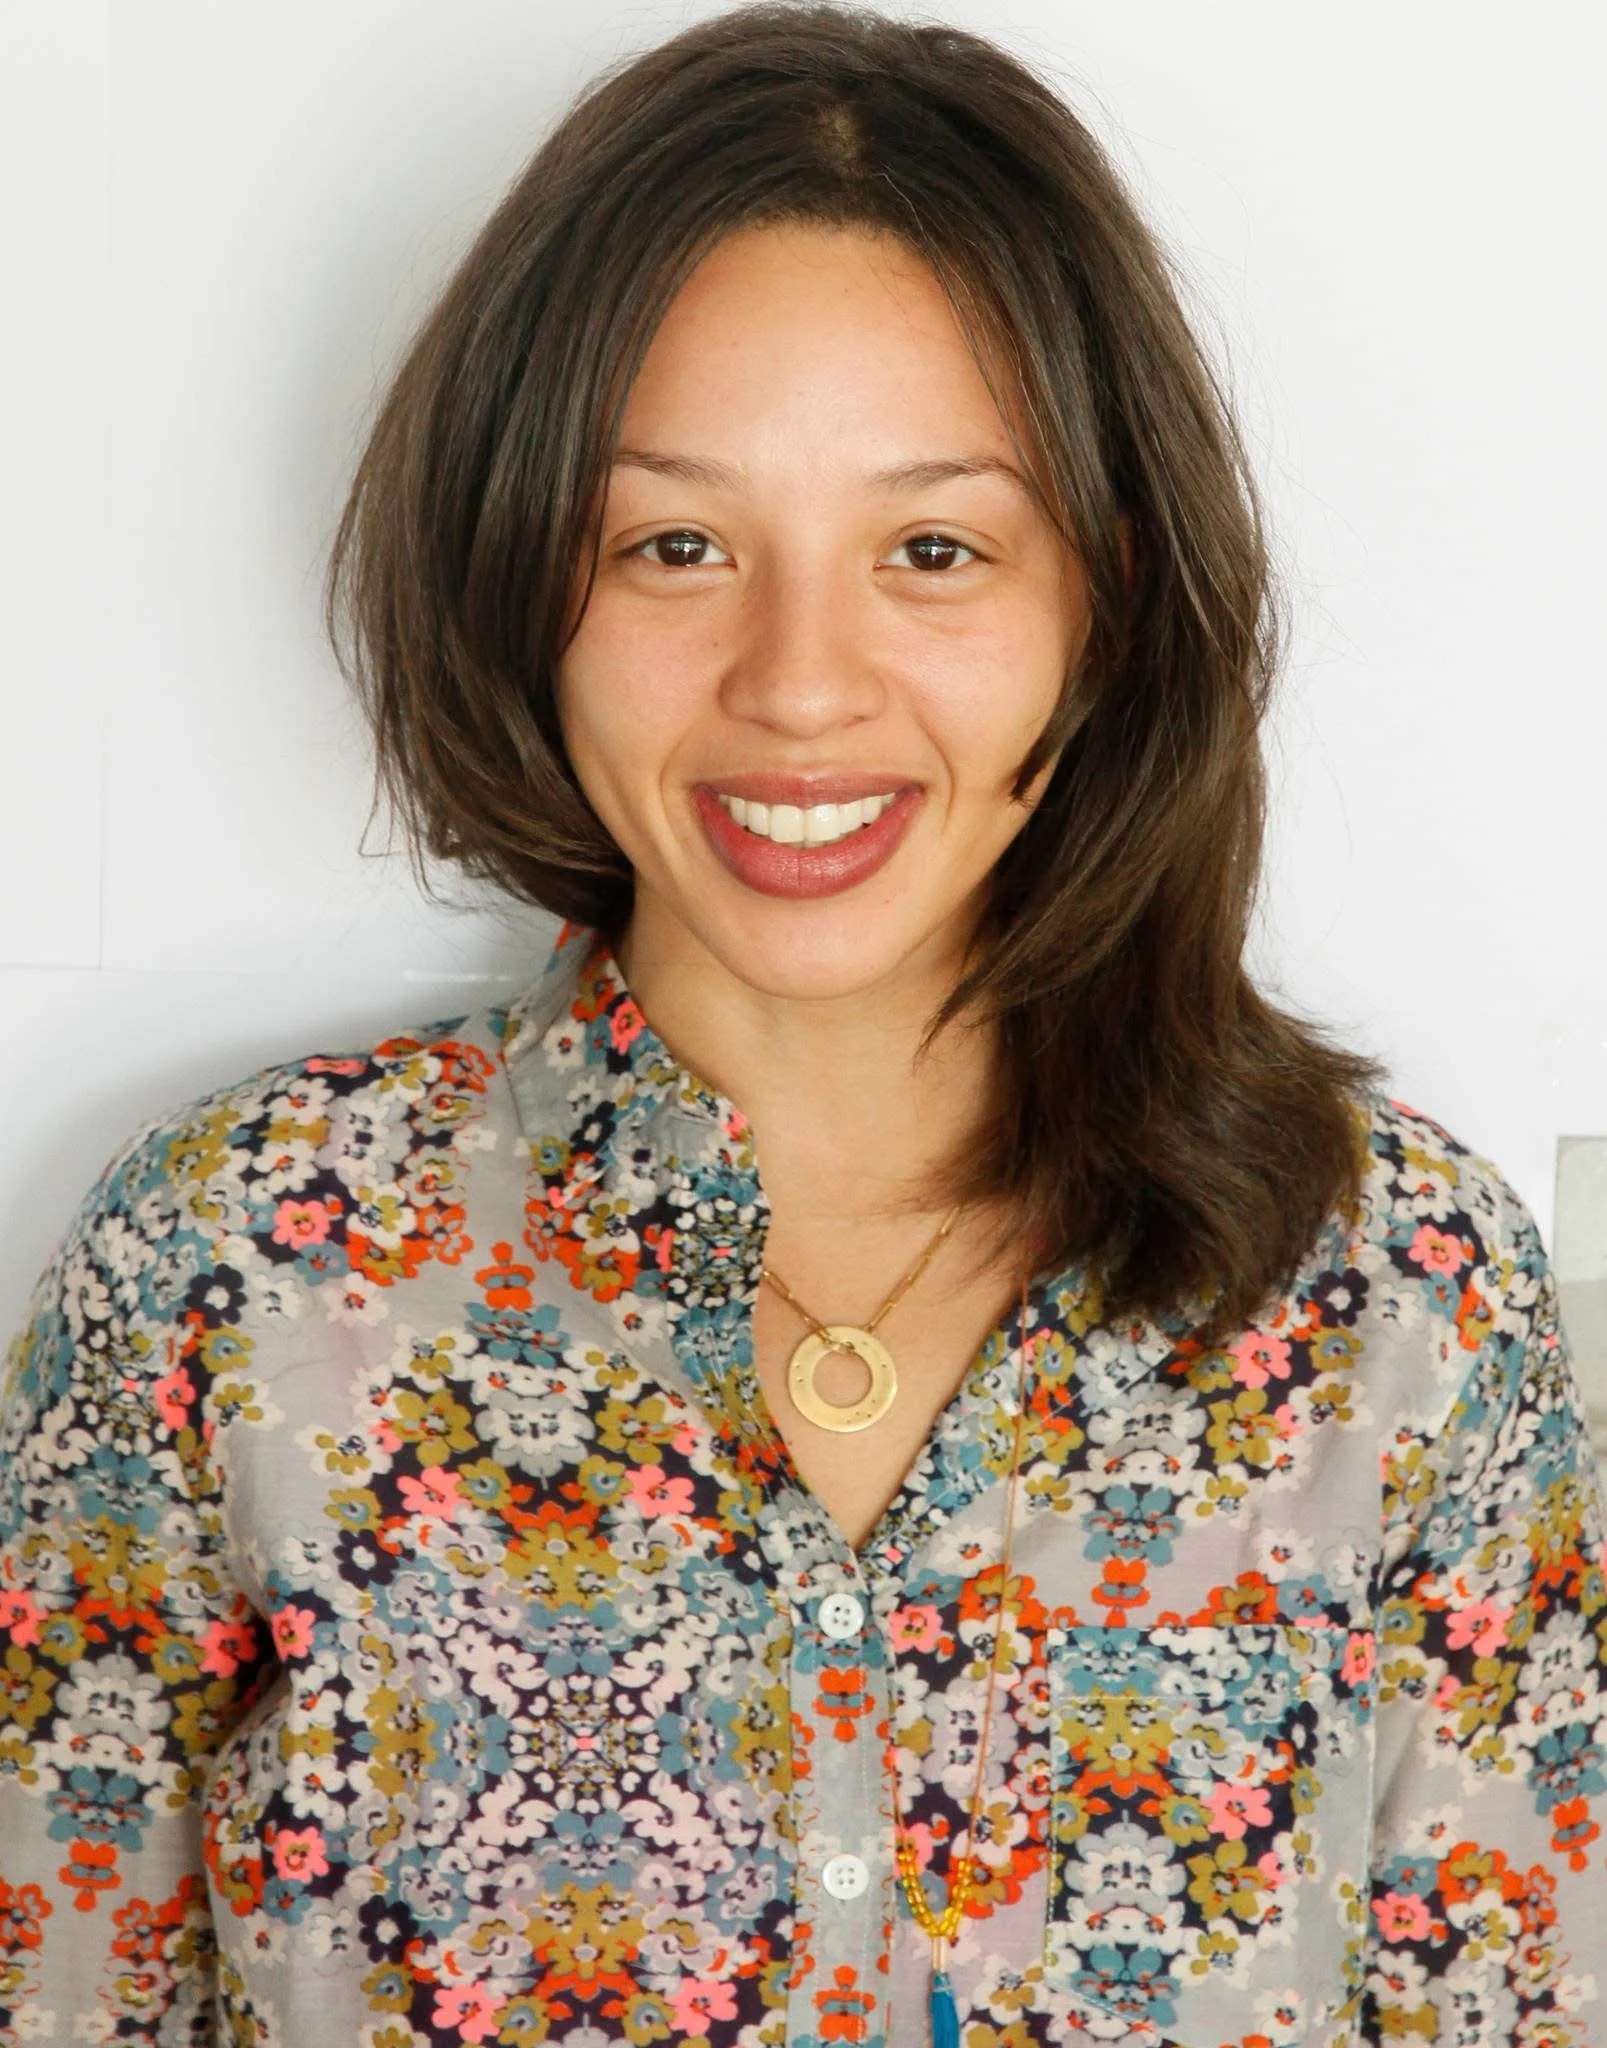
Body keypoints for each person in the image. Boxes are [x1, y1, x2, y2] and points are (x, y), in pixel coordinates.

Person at [2, 3, 1604, 2042]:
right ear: (520, 576)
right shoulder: (222, 1271)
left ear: (1099, 596)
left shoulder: (1401, 1301)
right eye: (673, 543)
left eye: (930, 549)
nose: (799, 683)